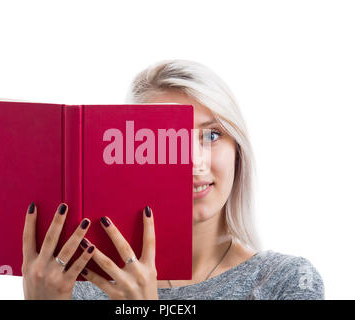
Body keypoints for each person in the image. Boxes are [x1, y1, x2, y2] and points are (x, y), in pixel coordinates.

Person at [22, 59, 325, 300]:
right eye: (168, 139)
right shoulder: (77, 284)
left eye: (212, 135)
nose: (195, 162)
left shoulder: (285, 281)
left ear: (237, 150)